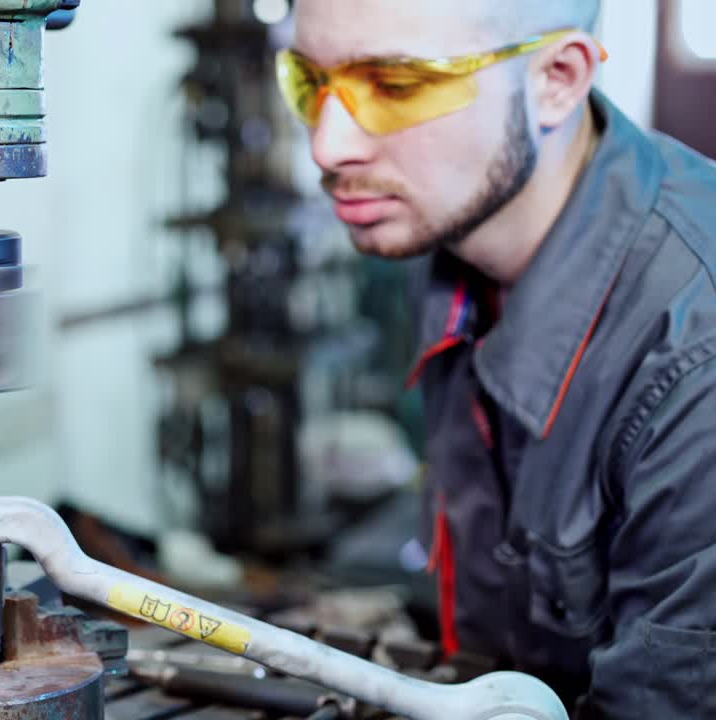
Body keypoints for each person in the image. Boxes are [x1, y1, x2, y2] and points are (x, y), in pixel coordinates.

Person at [282, 1, 716, 716]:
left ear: (557, 79)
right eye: (307, 81)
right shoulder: (447, 238)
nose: (327, 146)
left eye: (394, 84)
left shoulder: (692, 355)